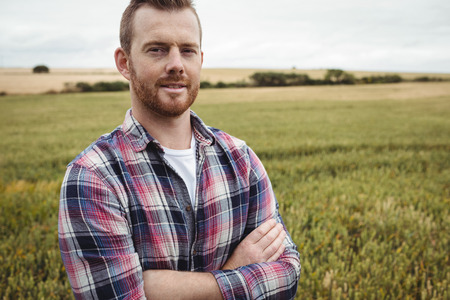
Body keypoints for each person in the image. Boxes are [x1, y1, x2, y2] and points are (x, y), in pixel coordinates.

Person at [58, 0, 301, 299]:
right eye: (157, 49)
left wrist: (165, 288)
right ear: (124, 62)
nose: (176, 64)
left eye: (187, 50)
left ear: (200, 59)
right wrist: (238, 270)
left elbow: (287, 277)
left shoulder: (241, 159)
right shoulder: (93, 178)